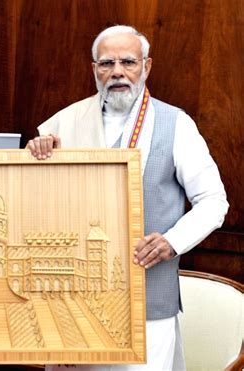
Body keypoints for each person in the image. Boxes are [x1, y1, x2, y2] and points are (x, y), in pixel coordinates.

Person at [27, 25, 228, 370]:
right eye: (106, 63)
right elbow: (36, 200)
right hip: (76, 303)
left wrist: (172, 241)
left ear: (146, 67)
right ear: (94, 70)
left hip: (147, 302)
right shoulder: (65, 122)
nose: (117, 72)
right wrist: (36, 154)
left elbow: (213, 200)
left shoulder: (176, 124)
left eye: (128, 62)